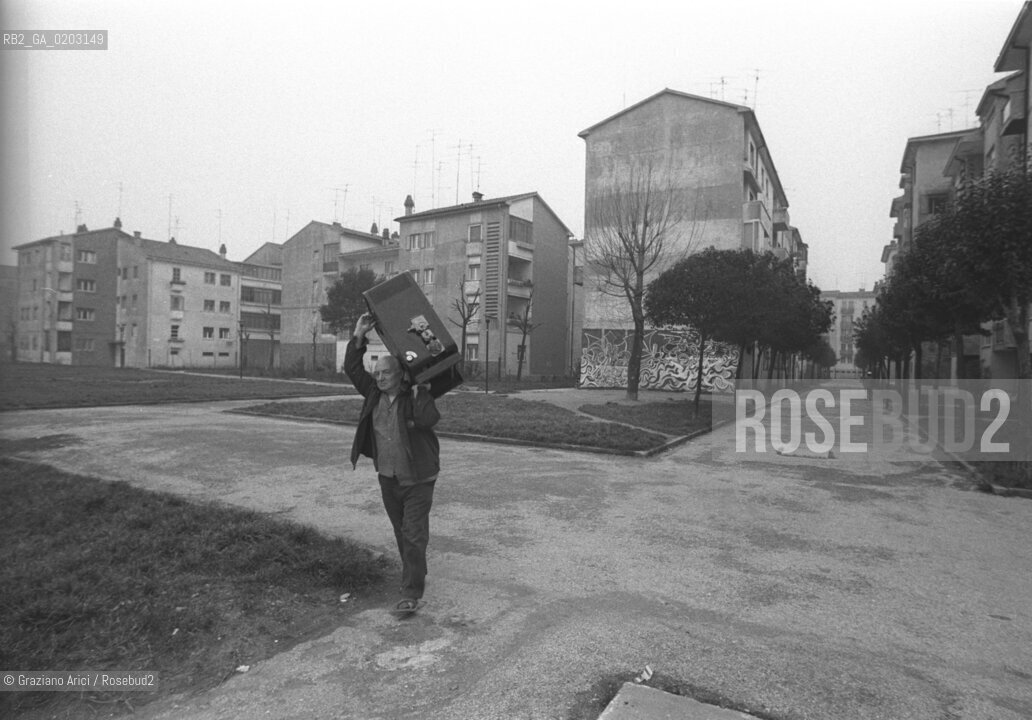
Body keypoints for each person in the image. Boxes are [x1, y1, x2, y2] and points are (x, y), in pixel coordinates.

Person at [344, 312, 441, 616]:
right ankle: (414, 573)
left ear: (399, 374)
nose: (379, 378)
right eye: (377, 374)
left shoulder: (413, 396)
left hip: (419, 478)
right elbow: (352, 368)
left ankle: (411, 592)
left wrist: (422, 389)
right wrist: (359, 337)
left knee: (414, 534)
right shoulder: (373, 393)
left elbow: (428, 420)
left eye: (385, 373)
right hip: (388, 476)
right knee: (403, 532)